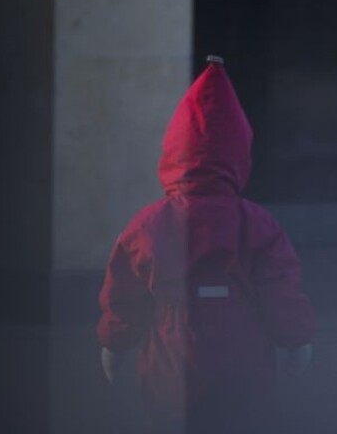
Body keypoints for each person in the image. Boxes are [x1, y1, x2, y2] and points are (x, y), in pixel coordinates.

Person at [97, 56, 316, 433]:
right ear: (239, 154)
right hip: (243, 369)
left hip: (170, 368)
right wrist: (296, 340)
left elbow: (125, 296)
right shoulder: (257, 224)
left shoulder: (148, 225)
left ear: (173, 152)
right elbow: (282, 291)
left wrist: (114, 345)